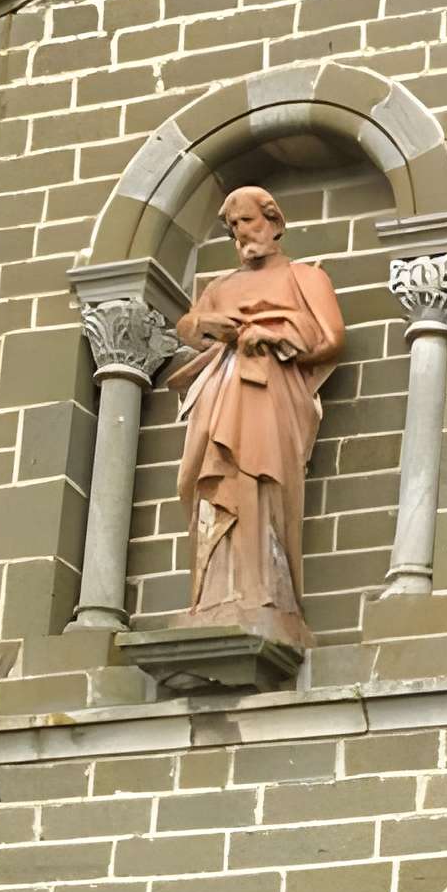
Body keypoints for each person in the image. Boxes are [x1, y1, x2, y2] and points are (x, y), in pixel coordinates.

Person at [167, 185, 345, 648]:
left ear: (274, 222)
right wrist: (211, 327)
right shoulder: (220, 287)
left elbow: (330, 339)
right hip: (221, 389)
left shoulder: (304, 277)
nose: (241, 234)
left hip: (271, 391)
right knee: (209, 481)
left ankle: (264, 590)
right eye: (232, 228)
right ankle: (213, 595)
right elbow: (189, 326)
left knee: (259, 481)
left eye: (247, 222)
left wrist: (272, 332)